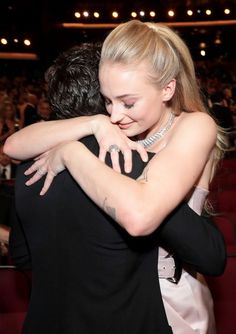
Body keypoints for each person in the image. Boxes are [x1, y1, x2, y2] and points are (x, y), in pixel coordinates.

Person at [5, 38, 226, 333]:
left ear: (167, 89)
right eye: (108, 102)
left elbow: (143, 215)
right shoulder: (119, 130)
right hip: (127, 297)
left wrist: (72, 153)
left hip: (174, 294)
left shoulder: (193, 125)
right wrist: (95, 124)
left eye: (127, 102)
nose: (115, 115)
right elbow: (13, 145)